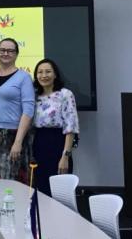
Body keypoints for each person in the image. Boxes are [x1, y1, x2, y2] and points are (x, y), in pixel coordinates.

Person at [0, 38, 35, 183]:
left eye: (10, 50)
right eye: (2, 50)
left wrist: (18, 142)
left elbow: (28, 111)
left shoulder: (24, 77)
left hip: (13, 136)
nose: (6, 53)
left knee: (11, 182)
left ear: (16, 54)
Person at [31, 58, 80, 196]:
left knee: (60, 192)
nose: (44, 75)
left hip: (58, 144)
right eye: (40, 72)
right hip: (38, 144)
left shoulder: (65, 94)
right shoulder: (34, 96)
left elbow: (70, 126)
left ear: (55, 74)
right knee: (41, 191)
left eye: (48, 71)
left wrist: (65, 156)